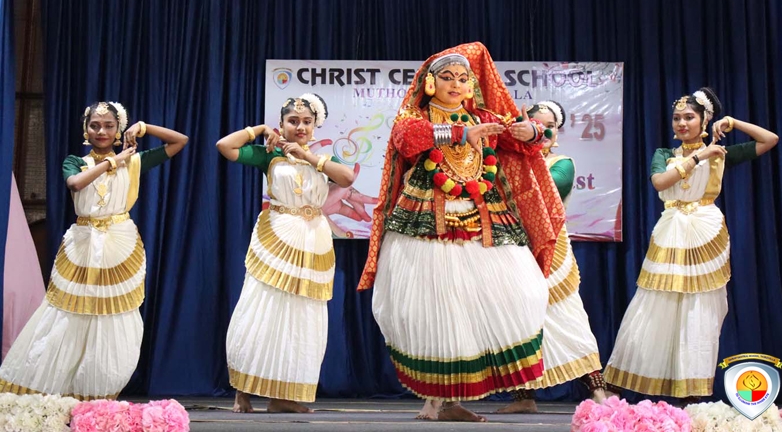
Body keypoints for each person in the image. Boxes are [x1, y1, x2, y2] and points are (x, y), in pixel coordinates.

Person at [358, 42, 565, 422]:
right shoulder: (415, 115)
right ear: (431, 83)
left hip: (483, 219)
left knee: (522, 291)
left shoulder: (483, 117)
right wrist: (459, 134)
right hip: (426, 224)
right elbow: (408, 138)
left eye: (462, 78)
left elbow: (531, 139)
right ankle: (437, 402)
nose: (455, 84)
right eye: (447, 77)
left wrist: (530, 130)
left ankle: (450, 400)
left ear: (471, 85)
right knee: (436, 305)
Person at [0, 101, 188, 399]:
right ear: (86, 130)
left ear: (118, 130)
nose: (102, 131)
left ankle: (99, 390)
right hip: (83, 243)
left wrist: (145, 127)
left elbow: (180, 141)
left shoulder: (134, 162)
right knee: (68, 312)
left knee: (112, 315)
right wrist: (112, 162)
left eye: (109, 126)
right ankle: (56, 386)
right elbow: (75, 184)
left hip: (118, 243)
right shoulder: (76, 161)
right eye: (95, 125)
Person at [604, 88, 778, 401]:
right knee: (654, 302)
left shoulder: (720, 154)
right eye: (677, 118)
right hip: (671, 231)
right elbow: (660, 182)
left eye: (689, 117)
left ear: (704, 120)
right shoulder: (664, 153)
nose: (682, 123)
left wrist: (733, 122)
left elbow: (770, 140)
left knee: (701, 308)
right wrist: (698, 156)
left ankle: (691, 391)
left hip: (706, 233)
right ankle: (623, 382)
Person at [218, 93, 355, 413]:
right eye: (293, 121)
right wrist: (259, 130)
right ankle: (243, 391)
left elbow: (347, 178)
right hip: (277, 236)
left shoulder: (321, 159)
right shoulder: (270, 154)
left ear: (315, 126)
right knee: (261, 307)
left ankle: (283, 397)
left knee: (302, 317)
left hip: (313, 240)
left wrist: (307, 156)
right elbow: (225, 146)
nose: (300, 127)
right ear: (282, 124)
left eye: (307, 122)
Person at [495, 100, 607, 413]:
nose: (543, 132)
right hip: (515, 247)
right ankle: (523, 397)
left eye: (549, 127)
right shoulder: (510, 163)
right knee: (517, 321)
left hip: (552, 249)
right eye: (536, 125)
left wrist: (518, 162)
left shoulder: (562, 163)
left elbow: (545, 189)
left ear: (556, 133)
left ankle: (598, 391)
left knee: (568, 317)